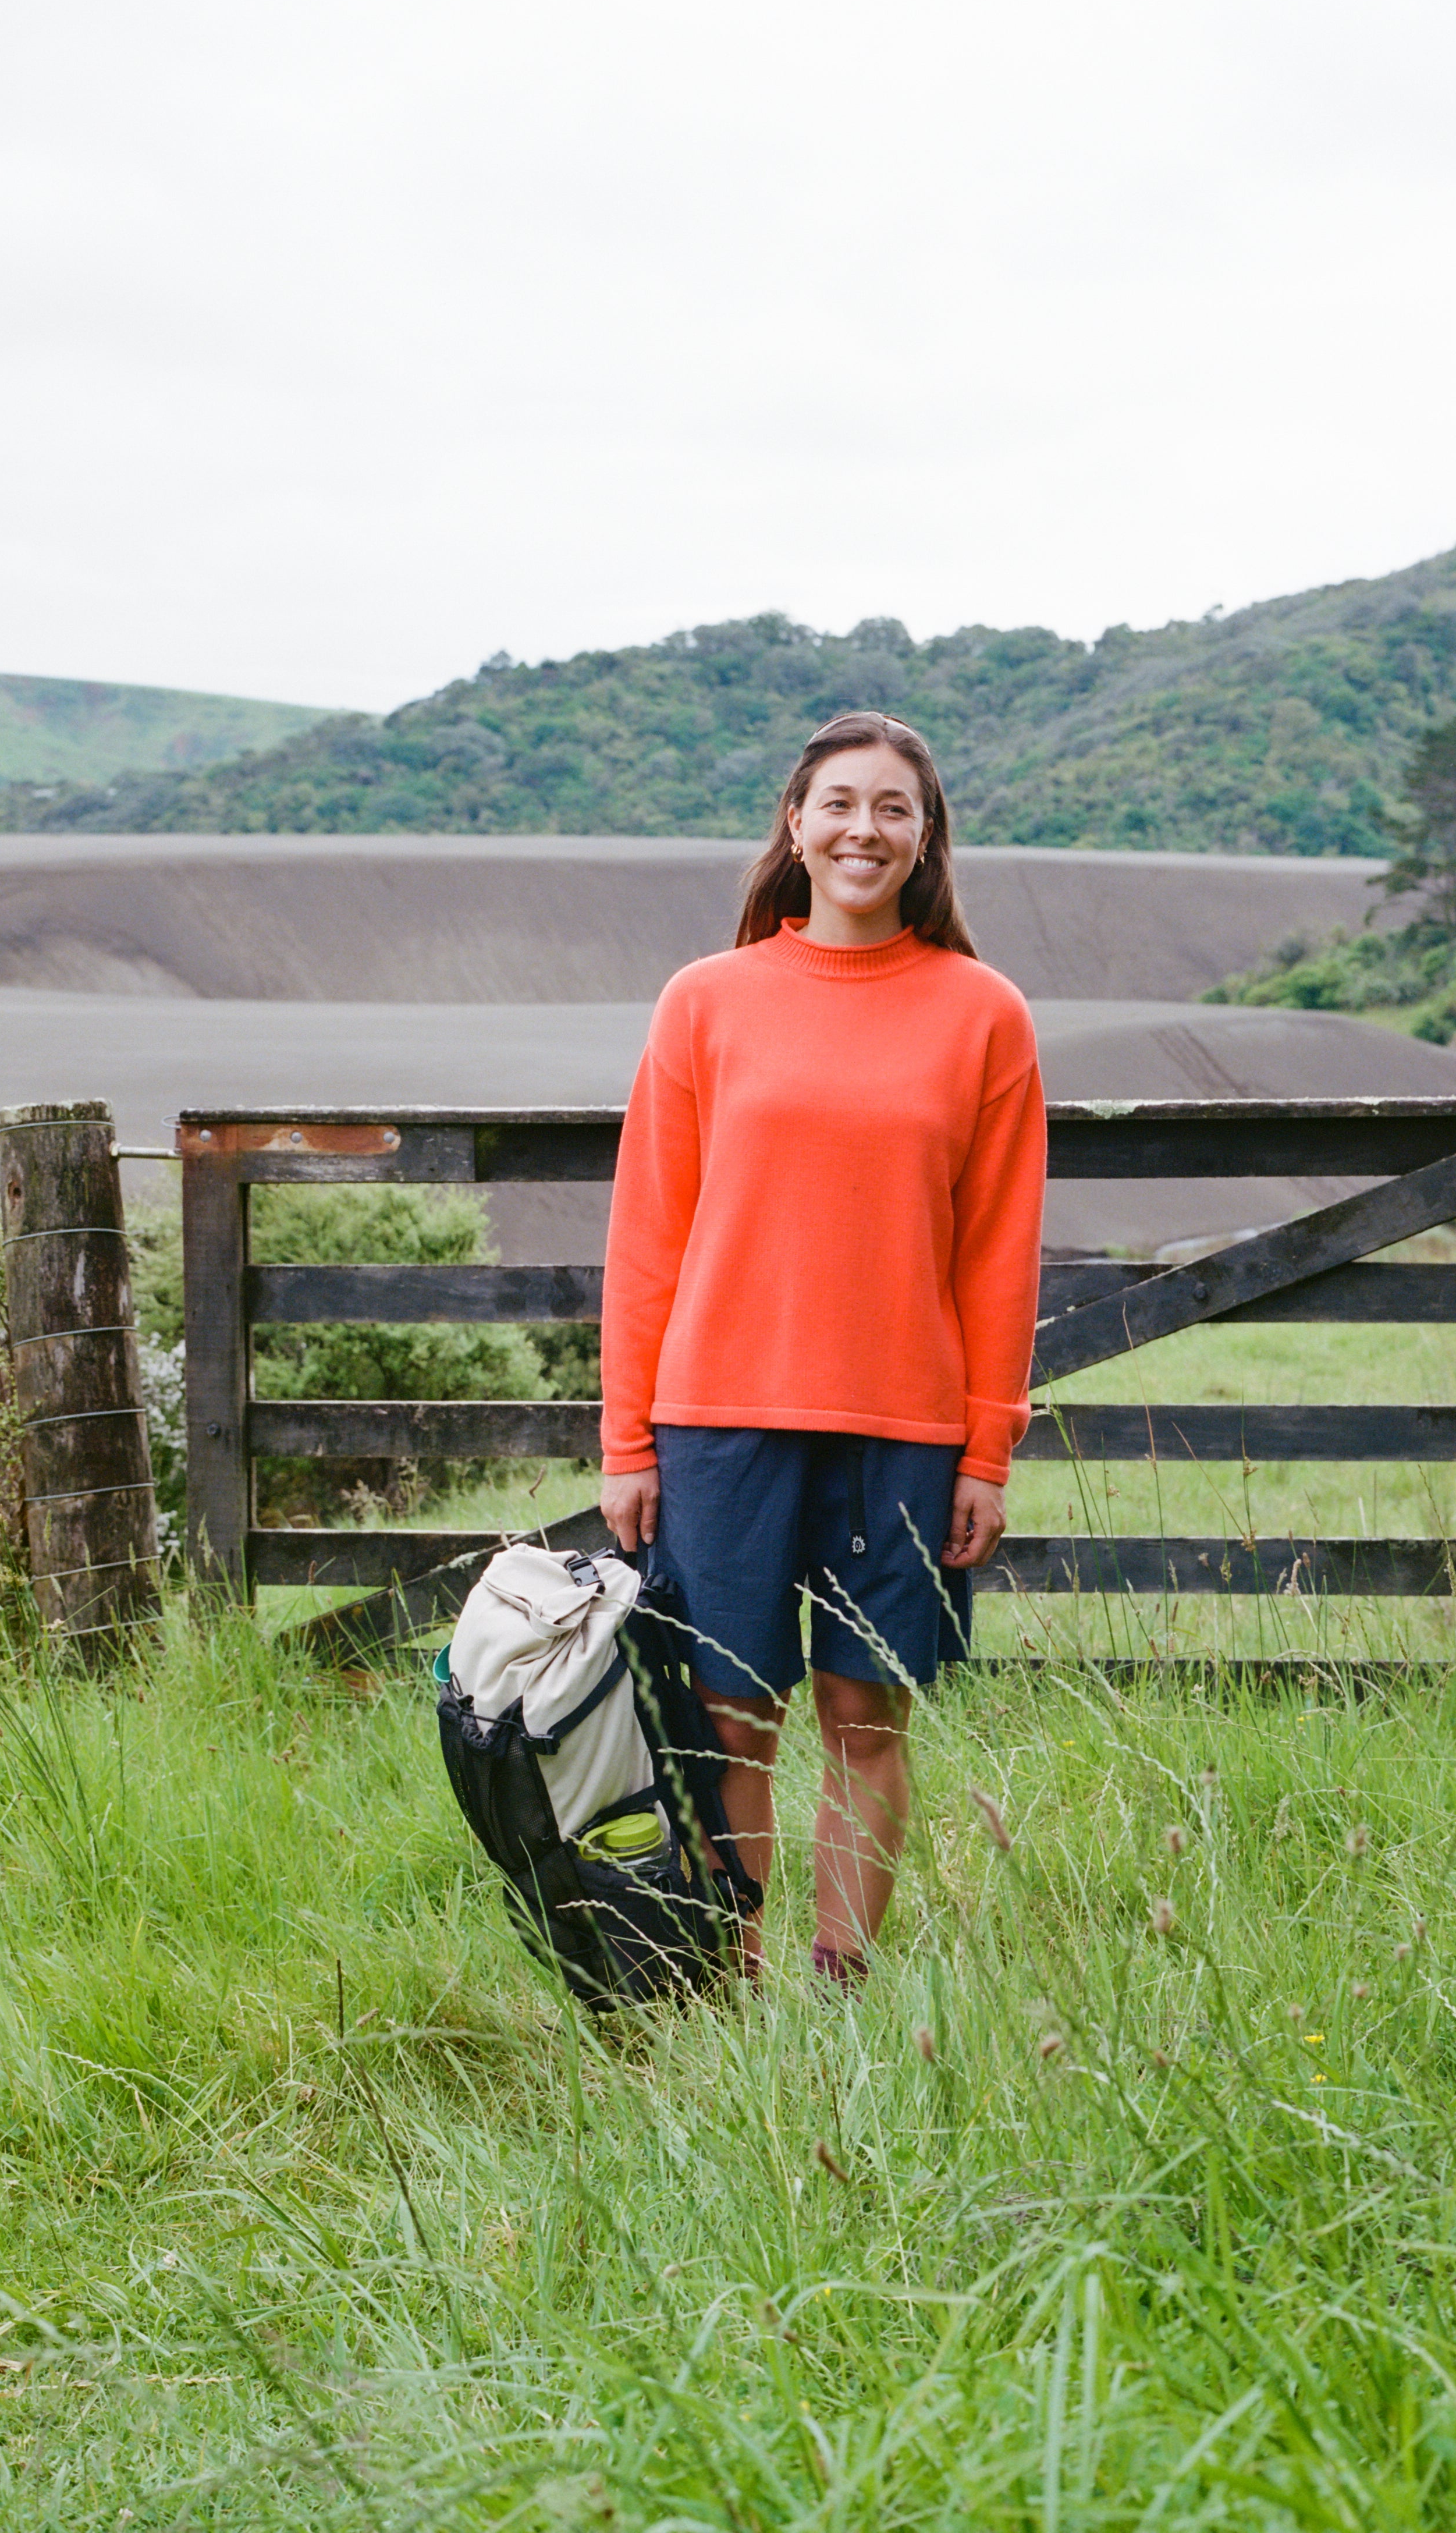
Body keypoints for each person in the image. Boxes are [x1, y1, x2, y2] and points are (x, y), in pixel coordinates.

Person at [598, 709, 1046, 1988]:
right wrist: (628, 1438)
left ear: (924, 838)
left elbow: (998, 1255)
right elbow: (647, 1238)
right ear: (795, 827)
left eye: (892, 807)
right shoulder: (707, 1001)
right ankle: (733, 1976)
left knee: (865, 1714)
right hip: (720, 1422)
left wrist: (987, 1448)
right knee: (734, 1720)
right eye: (839, 803)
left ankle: (841, 1983)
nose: (864, 828)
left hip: (903, 1429)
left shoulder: (982, 1015)